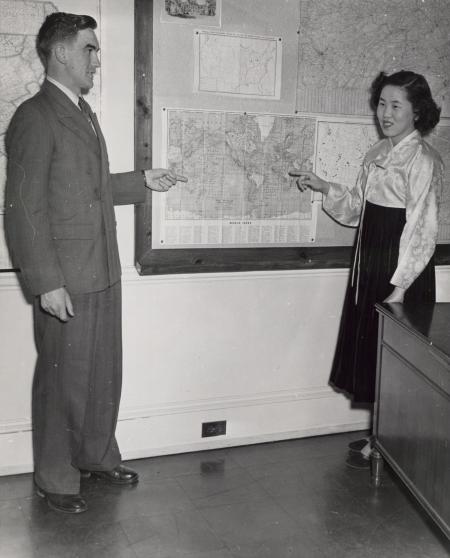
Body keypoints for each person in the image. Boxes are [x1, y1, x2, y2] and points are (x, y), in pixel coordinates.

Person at [5, 12, 186, 513]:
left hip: (101, 271)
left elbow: (89, 190)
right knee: (62, 380)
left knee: (103, 373)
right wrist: (45, 282)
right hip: (65, 278)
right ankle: (56, 477)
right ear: (61, 52)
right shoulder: (34, 117)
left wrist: (142, 180)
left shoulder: (82, 112)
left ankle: (96, 456)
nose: (96, 59)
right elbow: (23, 209)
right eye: (89, 48)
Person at [289, 70, 443, 468]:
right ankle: (381, 438)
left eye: (396, 106)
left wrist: (400, 287)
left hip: (399, 271)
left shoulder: (422, 159)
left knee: (396, 358)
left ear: (417, 111)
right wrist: (324, 186)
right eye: (381, 103)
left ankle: (392, 446)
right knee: (373, 352)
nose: (386, 113)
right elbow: (357, 207)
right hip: (370, 262)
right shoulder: (378, 153)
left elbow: (421, 229)